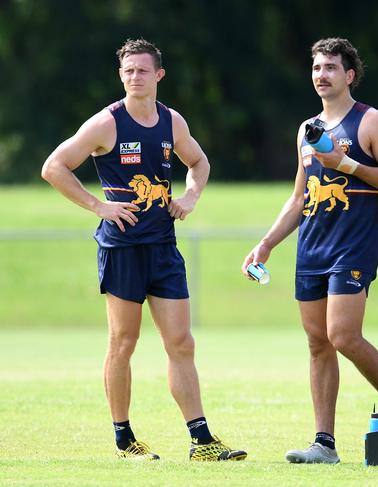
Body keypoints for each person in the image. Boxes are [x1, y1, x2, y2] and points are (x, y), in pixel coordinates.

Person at [41, 38, 246, 462]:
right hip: (123, 248)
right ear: (121, 76)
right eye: (128, 71)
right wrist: (98, 206)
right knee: (123, 341)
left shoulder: (173, 122)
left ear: (159, 75)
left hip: (163, 248)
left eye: (142, 70)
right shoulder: (106, 124)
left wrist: (190, 198)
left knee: (181, 342)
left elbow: (200, 163)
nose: (135, 77)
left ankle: (201, 441)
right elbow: (53, 167)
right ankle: (124, 440)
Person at [241, 37, 378, 464]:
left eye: (331, 67)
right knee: (318, 344)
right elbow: (299, 198)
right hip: (311, 249)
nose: (322, 75)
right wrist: (266, 244)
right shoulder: (306, 129)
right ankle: (325, 444)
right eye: (317, 67)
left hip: (352, 247)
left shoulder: (373, 122)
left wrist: (347, 165)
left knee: (343, 335)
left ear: (349, 75)